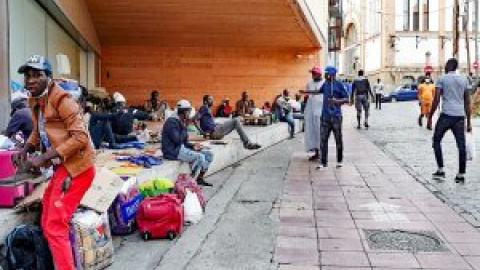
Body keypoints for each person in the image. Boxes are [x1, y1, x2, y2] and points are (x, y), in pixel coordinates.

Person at [13, 55, 95, 270]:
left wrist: (43, 157)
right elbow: (40, 130)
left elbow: (80, 138)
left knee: (55, 227)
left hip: (76, 169)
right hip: (62, 168)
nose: (31, 80)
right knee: (48, 221)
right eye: (28, 76)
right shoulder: (36, 100)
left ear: (48, 78)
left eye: (37, 75)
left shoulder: (63, 100)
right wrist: (27, 148)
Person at [427, 58, 472, 183]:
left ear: (448, 66)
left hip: (446, 115)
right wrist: (469, 122)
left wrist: (430, 118)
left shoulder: (442, 79)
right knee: (461, 145)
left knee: (436, 140)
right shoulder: (464, 80)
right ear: (456, 67)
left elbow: (436, 100)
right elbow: (467, 102)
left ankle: (440, 169)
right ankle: (461, 174)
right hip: (460, 117)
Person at [302, 66, 349, 169]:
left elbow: (347, 99)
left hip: (336, 117)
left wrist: (337, 101)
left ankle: (339, 161)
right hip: (325, 117)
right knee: (323, 140)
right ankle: (323, 163)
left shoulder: (340, 85)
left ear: (332, 74)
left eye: (327, 73)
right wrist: (306, 92)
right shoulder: (325, 84)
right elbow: (318, 91)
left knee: (338, 139)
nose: (325, 75)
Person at [162, 100, 214, 186]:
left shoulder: (181, 121)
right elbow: (177, 140)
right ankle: (191, 183)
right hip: (172, 151)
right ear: (184, 112)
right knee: (200, 157)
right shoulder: (172, 122)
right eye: (189, 111)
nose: (190, 114)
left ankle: (199, 178)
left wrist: (193, 146)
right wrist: (184, 126)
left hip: (180, 148)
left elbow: (184, 141)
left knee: (209, 154)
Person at [195, 95, 261, 149]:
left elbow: (207, 122)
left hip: (215, 130)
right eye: (210, 99)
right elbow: (195, 119)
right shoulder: (204, 108)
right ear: (205, 101)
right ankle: (247, 143)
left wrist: (216, 124)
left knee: (232, 121)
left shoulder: (207, 109)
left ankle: (247, 142)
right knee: (236, 121)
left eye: (212, 99)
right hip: (214, 132)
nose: (212, 101)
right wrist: (201, 131)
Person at [300, 66, 324, 161]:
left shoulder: (324, 84)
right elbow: (308, 97)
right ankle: (316, 153)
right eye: (312, 73)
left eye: (314, 73)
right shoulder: (309, 83)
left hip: (320, 110)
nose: (312, 75)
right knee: (312, 132)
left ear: (319, 74)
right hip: (311, 110)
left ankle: (323, 153)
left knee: (320, 132)